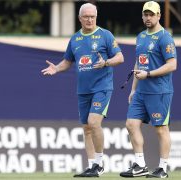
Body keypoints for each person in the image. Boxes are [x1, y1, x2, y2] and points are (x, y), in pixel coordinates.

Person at [41, 3, 124, 177]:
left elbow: (120, 57)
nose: (89, 19)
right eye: (86, 16)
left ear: (96, 17)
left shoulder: (105, 35)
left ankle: (100, 164)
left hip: (102, 87)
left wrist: (106, 62)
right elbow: (67, 61)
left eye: (92, 16)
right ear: (80, 18)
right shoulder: (75, 39)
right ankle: (92, 165)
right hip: (83, 90)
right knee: (86, 128)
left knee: (94, 122)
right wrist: (56, 68)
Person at [120, 1, 177, 178]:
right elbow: (139, 63)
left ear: (159, 15)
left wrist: (149, 74)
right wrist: (133, 89)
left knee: (161, 129)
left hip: (159, 91)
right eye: (145, 14)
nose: (148, 17)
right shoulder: (141, 36)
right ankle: (140, 165)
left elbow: (172, 65)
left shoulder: (165, 37)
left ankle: (163, 168)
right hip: (141, 92)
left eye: (151, 14)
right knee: (131, 124)